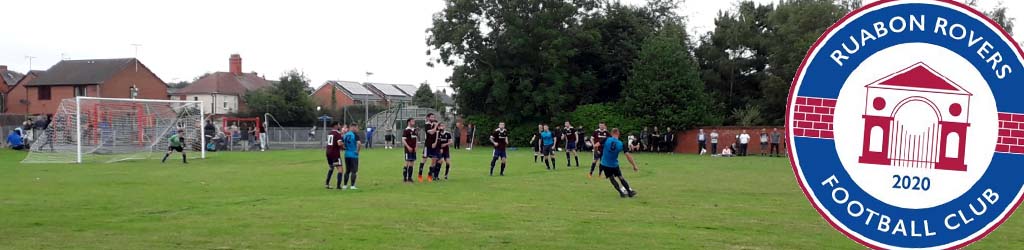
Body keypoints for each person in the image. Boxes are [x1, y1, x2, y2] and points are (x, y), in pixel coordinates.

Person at [599, 128, 639, 198]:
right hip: (614, 165)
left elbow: (596, 145)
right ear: (618, 134)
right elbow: (628, 156)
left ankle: (621, 193)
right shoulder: (621, 144)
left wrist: (597, 151)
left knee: (611, 178)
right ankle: (629, 192)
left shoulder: (606, 139)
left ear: (611, 133)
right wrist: (634, 165)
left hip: (605, 164)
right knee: (621, 177)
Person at [418, 113, 441, 182]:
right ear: (428, 118)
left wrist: (435, 142)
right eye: (431, 117)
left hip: (434, 145)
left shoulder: (435, 123)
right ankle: (420, 175)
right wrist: (435, 126)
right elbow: (431, 132)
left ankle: (430, 175)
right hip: (427, 145)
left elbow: (437, 133)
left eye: (434, 117)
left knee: (434, 160)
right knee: (424, 160)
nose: (433, 118)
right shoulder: (427, 125)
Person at [325, 122, 345, 189]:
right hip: (335, 154)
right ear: (336, 126)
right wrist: (343, 147)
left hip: (328, 153)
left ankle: (327, 184)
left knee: (331, 167)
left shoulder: (330, 133)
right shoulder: (337, 133)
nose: (340, 126)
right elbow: (339, 143)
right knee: (340, 169)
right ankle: (338, 186)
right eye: (339, 124)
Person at [341, 123, 362, 190]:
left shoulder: (346, 135)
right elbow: (359, 143)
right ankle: (352, 186)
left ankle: (344, 185)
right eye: (356, 128)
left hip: (347, 154)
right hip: (353, 155)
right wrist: (357, 151)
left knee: (347, 170)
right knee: (354, 171)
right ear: (353, 127)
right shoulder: (355, 135)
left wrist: (344, 148)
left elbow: (342, 143)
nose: (357, 129)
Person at [401, 118, 418, 182]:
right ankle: (405, 178)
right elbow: (403, 140)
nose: (414, 122)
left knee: (412, 162)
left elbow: (416, 139)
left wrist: (416, 146)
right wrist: (408, 147)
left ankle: (410, 178)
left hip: (413, 149)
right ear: (409, 122)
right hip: (408, 149)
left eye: (414, 121)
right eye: (412, 121)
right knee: (407, 162)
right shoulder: (406, 130)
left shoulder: (415, 130)